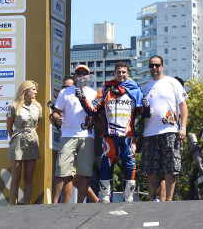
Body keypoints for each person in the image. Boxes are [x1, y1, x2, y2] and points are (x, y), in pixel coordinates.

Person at [77, 62, 149, 202]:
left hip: (128, 135)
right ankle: (104, 198)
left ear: (128, 73)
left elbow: (144, 114)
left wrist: (147, 106)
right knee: (106, 165)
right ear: (114, 73)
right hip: (110, 135)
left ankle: (128, 197)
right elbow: (92, 110)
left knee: (130, 165)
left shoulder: (135, 89)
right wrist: (82, 99)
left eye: (124, 72)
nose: (121, 75)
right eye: (118, 72)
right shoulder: (105, 89)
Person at [141, 56, 188, 202]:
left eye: (157, 65)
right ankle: (151, 200)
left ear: (162, 66)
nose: (154, 68)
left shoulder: (172, 82)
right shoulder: (146, 87)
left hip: (170, 131)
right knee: (151, 170)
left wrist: (183, 128)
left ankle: (169, 201)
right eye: (151, 66)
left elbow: (183, 106)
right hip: (150, 133)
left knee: (171, 168)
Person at [50, 65, 97, 203]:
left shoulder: (93, 93)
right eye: (79, 73)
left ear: (89, 76)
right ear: (75, 75)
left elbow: (97, 115)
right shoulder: (65, 92)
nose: (82, 75)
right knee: (61, 171)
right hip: (68, 135)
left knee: (84, 174)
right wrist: (57, 118)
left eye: (85, 73)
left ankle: (80, 205)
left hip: (87, 136)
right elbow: (56, 111)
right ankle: (54, 204)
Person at [6, 80, 42, 205]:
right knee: (16, 176)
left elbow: (37, 124)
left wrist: (30, 133)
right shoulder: (13, 106)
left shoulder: (38, 107)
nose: (36, 92)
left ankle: (27, 204)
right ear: (26, 90)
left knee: (29, 176)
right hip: (18, 140)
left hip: (32, 140)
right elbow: (9, 126)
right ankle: (14, 204)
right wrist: (17, 137)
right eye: (33, 89)